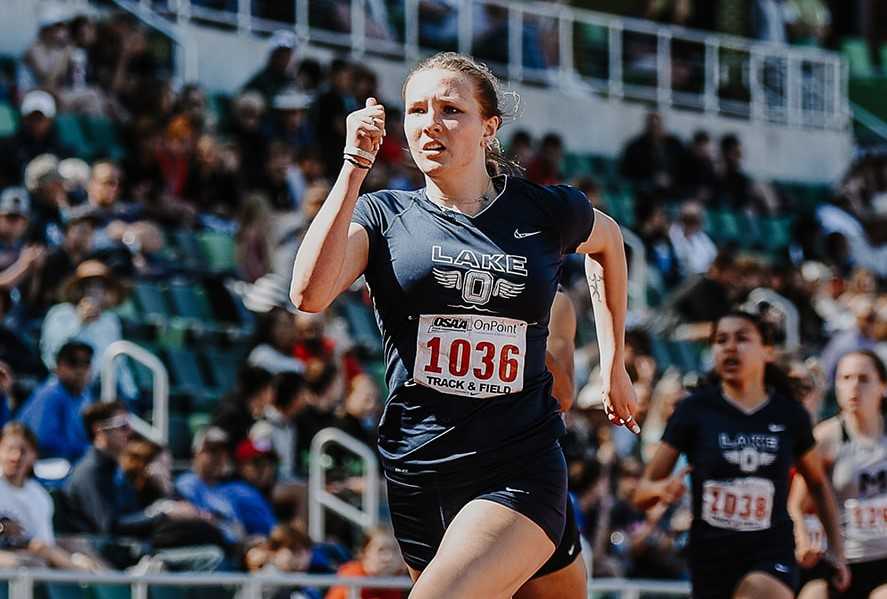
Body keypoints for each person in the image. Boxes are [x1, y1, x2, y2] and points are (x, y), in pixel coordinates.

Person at [290, 51, 638, 597]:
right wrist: (353, 168)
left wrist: (615, 365)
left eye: (451, 109)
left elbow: (609, 244)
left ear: (488, 127)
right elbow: (308, 294)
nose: (431, 122)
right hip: (419, 470)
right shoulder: (385, 216)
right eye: (417, 110)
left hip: (518, 466)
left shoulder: (543, 211)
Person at [633, 311, 850, 599]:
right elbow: (641, 494)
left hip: (771, 551)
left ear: (767, 351)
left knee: (759, 591)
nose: (730, 347)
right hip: (710, 557)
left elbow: (819, 485)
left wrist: (837, 551)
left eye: (742, 338)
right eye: (721, 340)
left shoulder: (789, 415)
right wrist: (661, 489)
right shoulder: (694, 411)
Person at [790, 350, 887, 599]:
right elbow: (797, 506)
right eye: (845, 378)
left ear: (883, 387)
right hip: (841, 562)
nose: (854, 386)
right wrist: (802, 537)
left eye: (864, 379)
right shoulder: (825, 438)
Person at [0, 422, 100, 571]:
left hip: (29, 550)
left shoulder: (39, 494)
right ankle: (84, 572)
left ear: (34, 455)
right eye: (10, 449)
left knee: (79, 545)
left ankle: (121, 579)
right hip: (13, 556)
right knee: (32, 562)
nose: (16, 456)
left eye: (23, 450)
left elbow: (44, 540)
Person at [17, 340, 94, 461]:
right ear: (58, 367)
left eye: (86, 363)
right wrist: (88, 450)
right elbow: (45, 442)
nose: (80, 370)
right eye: (73, 362)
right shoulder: (50, 395)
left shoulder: (85, 396)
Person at [325, 528, 406, 599]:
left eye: (394, 550)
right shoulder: (351, 576)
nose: (388, 557)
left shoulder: (402, 580)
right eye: (381, 550)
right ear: (364, 553)